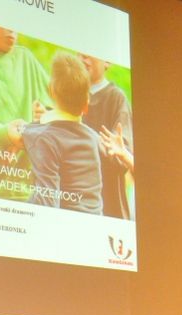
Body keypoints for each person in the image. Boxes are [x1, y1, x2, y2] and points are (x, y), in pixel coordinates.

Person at [0, 21, 50, 201]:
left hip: (30, 196)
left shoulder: (27, 59)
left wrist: (47, 118)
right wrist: (5, 135)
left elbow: (63, 113)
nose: (12, 28)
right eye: (4, 20)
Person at [19, 52, 103, 213]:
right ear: (86, 104)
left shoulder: (41, 138)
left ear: (51, 91)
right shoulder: (94, 138)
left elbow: (46, 202)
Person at [79, 53, 134, 219]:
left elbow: (122, 153)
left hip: (108, 207)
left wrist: (114, 150)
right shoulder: (70, 94)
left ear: (107, 61)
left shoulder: (116, 98)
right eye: (79, 53)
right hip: (76, 202)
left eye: (90, 52)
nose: (83, 57)